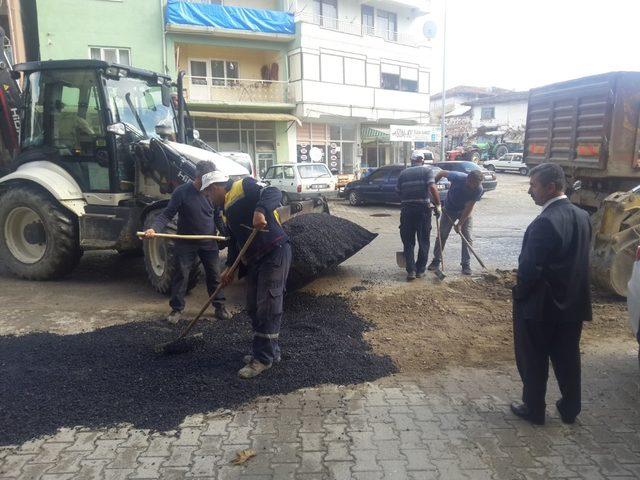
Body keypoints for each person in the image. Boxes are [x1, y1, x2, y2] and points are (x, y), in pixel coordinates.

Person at [510, 163, 592, 425]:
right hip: (573, 304)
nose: (530, 191)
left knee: (533, 359)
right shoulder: (582, 216)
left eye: (533, 186)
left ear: (551, 187)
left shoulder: (545, 221)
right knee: (568, 358)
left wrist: (520, 295)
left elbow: (529, 268)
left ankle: (533, 409)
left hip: (540, 307)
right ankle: (570, 408)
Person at [201, 171, 291, 379]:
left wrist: (260, 211)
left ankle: (262, 359)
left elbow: (273, 192)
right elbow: (235, 243)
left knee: (268, 303)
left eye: (207, 194)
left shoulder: (244, 185)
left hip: (274, 250)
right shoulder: (225, 210)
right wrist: (230, 268)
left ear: (214, 187)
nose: (208, 199)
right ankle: (269, 351)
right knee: (253, 306)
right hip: (255, 258)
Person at [143, 161, 231, 324]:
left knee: (214, 276)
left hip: (208, 242)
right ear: (199, 177)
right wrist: (154, 229)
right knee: (181, 275)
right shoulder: (182, 192)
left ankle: (220, 307)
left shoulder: (212, 192)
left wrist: (226, 234)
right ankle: (176, 309)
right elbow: (167, 214)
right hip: (186, 242)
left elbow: (217, 216)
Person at [396, 153, 442, 281]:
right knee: (423, 241)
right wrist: (438, 205)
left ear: (411, 160)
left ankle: (410, 271)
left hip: (407, 211)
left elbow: (398, 192)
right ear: (422, 160)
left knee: (408, 241)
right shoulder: (427, 171)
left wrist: (408, 199)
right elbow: (432, 187)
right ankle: (420, 271)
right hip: (422, 210)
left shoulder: (403, 174)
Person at [428, 169, 484, 275]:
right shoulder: (458, 177)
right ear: (468, 179)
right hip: (449, 209)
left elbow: (469, 207)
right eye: (474, 184)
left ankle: (466, 264)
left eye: (478, 184)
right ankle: (436, 261)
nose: (476, 186)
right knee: (442, 235)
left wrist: (460, 224)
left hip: (464, 212)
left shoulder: (478, 189)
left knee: (467, 237)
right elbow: (442, 173)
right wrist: (433, 184)